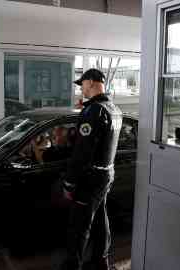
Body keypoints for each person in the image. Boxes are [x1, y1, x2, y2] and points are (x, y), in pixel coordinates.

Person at [60, 69, 122, 270]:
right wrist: (84, 110)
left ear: (92, 82)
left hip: (90, 177)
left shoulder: (94, 111)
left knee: (79, 226)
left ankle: (72, 265)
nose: (81, 88)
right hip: (106, 174)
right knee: (99, 219)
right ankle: (101, 259)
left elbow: (82, 152)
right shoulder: (112, 108)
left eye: (82, 84)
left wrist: (69, 182)